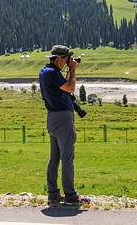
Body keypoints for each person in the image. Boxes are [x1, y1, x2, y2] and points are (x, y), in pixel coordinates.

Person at [39, 45, 90, 206]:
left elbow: (63, 84)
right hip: (63, 118)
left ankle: (53, 194)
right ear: (59, 59)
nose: (67, 62)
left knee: (54, 158)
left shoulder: (45, 71)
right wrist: (73, 70)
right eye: (66, 59)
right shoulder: (53, 73)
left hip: (53, 117)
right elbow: (71, 87)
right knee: (67, 157)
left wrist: (69, 69)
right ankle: (70, 195)